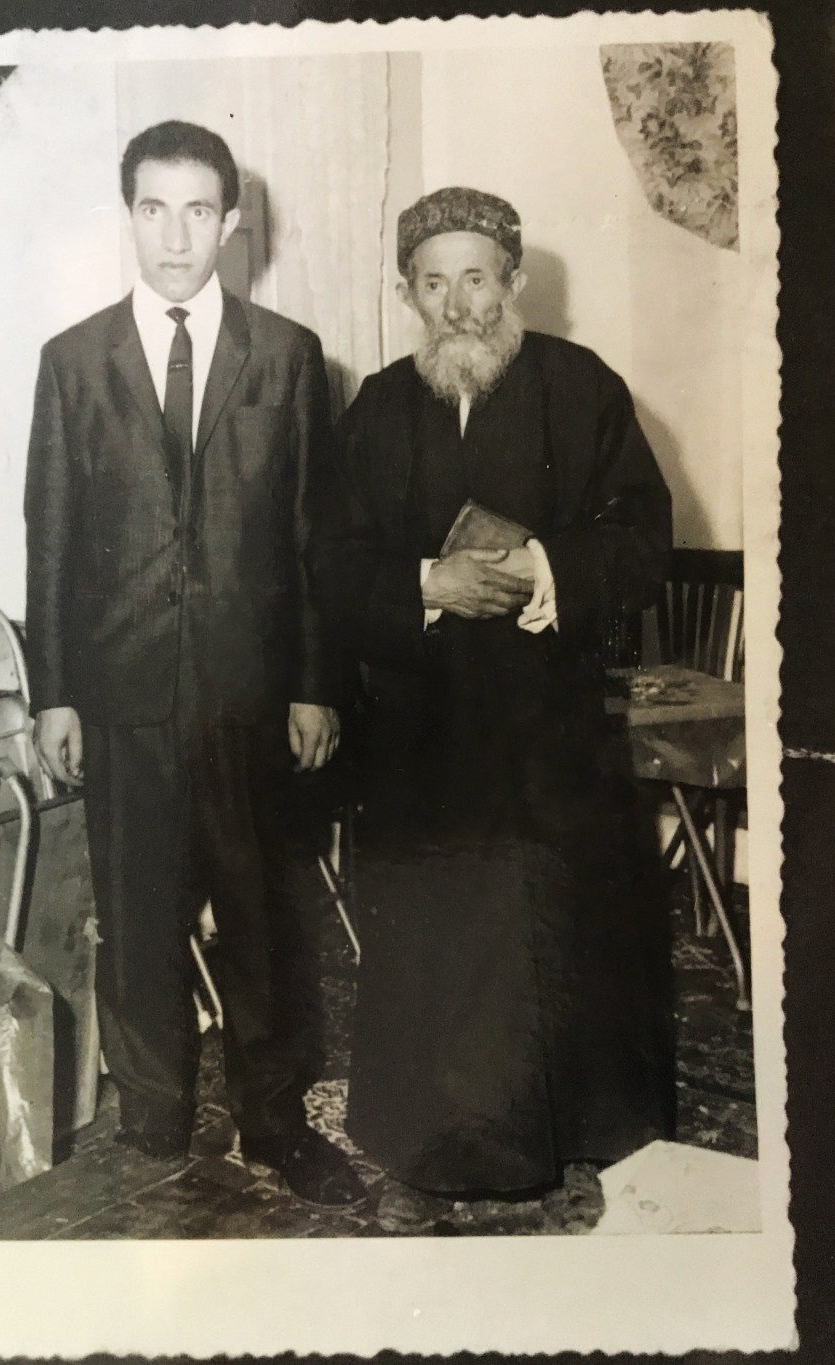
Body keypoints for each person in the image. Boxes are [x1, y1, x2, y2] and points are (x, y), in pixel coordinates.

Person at [321, 187, 675, 1231]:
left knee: (549, 935)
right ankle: (433, 1134)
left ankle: (562, 1133)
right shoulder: (378, 407)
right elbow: (329, 562)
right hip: (420, 738)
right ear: (406, 294)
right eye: (432, 283)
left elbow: (644, 542)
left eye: (476, 277)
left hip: (546, 731)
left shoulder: (582, 387)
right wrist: (423, 584)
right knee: (437, 941)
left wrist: (541, 563)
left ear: (513, 282)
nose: (457, 303)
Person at [24, 121, 365, 1208]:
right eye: (154, 209)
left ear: (232, 221)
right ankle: (152, 1119)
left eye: (199, 211)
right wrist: (54, 694)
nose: (176, 236)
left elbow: (315, 536)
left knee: (265, 916)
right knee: (135, 916)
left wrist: (313, 683)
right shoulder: (74, 362)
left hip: (251, 693)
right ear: (128, 214)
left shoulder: (291, 355)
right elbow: (52, 536)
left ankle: (275, 1124)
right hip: (120, 690)